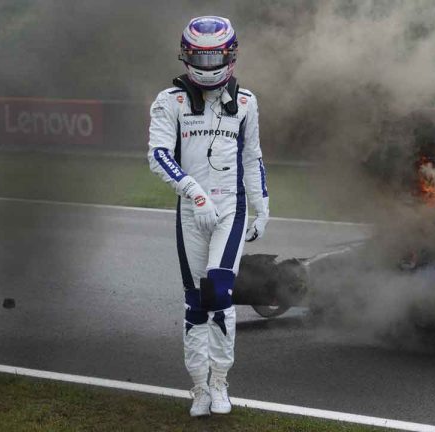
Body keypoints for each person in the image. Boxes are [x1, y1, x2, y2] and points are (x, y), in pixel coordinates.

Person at [147, 15, 269, 417]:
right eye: (201, 55)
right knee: (196, 302)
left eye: (215, 55)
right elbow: (158, 155)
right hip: (191, 211)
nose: (208, 63)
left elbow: (253, 158)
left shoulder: (247, 102)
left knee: (219, 291)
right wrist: (193, 192)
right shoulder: (170, 101)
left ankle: (221, 382)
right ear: (186, 56)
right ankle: (199, 387)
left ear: (230, 56)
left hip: (230, 209)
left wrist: (261, 203)